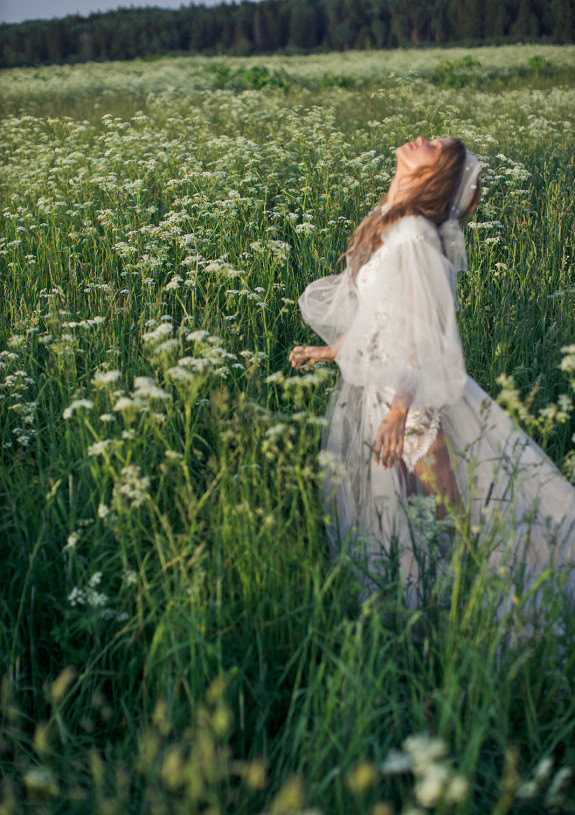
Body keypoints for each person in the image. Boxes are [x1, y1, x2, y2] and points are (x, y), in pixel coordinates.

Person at [289, 136, 575, 610]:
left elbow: (426, 333)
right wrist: (332, 349)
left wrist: (401, 407)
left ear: (438, 174)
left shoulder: (418, 236)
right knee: (406, 508)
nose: (429, 138)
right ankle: (423, 609)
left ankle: (490, 606)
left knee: (443, 513)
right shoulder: (399, 225)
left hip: (413, 399)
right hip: (386, 391)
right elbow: (384, 315)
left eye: (439, 147)